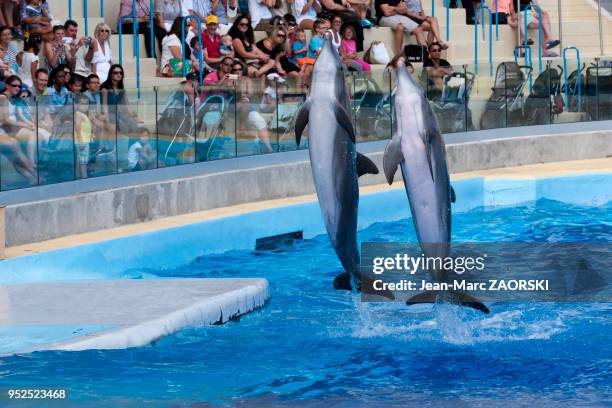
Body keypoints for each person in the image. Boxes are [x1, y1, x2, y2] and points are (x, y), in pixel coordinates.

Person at [0, 75, 37, 165]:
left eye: (19, 86)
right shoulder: (3, 97)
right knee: (19, 157)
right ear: (7, 85)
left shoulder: (12, 98)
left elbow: (29, 93)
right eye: (14, 85)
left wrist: (24, 94)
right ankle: (31, 166)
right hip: (5, 129)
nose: (17, 88)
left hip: (11, 128)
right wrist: (24, 125)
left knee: (32, 135)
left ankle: (32, 163)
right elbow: (5, 120)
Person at [74, 93, 93, 178]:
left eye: (87, 104)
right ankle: (84, 178)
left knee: (80, 161)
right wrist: (81, 141)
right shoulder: (78, 114)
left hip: (84, 141)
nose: (85, 106)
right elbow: (77, 127)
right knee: (83, 163)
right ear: (77, 105)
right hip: (82, 142)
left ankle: (79, 178)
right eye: (83, 104)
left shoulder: (83, 115)